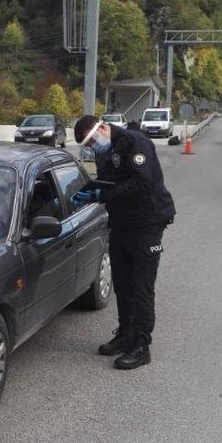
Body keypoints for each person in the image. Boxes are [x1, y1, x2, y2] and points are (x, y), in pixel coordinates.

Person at [71, 114, 176, 370]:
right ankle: (126, 333)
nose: (93, 147)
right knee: (122, 281)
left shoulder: (135, 143)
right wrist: (89, 190)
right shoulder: (102, 150)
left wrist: (102, 194)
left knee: (141, 285)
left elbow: (141, 183)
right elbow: (111, 181)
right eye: (88, 144)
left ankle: (141, 345)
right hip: (121, 222)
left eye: (93, 140)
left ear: (103, 128)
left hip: (147, 222)